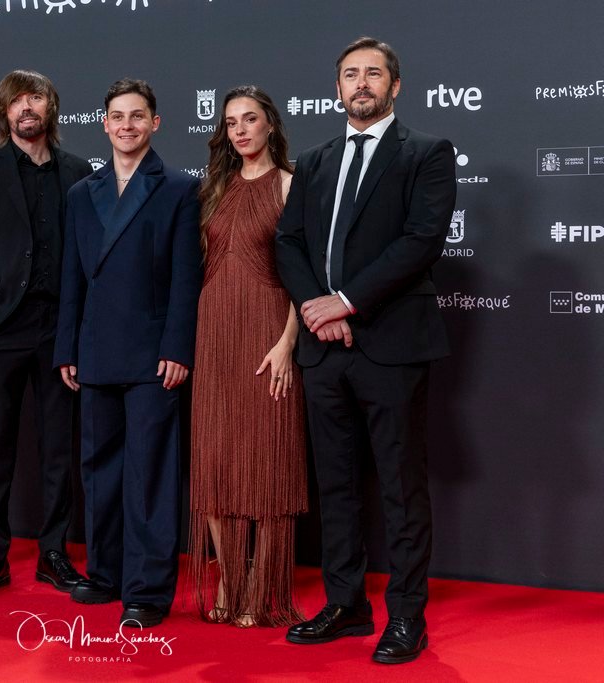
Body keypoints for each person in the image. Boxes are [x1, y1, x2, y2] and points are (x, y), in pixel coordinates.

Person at [275, 37, 456, 664]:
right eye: (350, 74)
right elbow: (288, 242)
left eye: (373, 74)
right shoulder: (315, 160)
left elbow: (421, 240)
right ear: (337, 88)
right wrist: (315, 308)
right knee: (337, 485)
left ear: (394, 86)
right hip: (325, 350)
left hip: (392, 345)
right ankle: (346, 603)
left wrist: (346, 302)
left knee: (402, 488)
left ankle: (407, 616)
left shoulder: (426, 153)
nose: (361, 84)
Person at [54, 79, 202, 627]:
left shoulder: (179, 188)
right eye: (117, 116)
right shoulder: (82, 193)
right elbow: (73, 277)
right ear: (104, 124)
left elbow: (187, 279)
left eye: (137, 116)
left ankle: (147, 590)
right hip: (94, 350)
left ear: (155, 123)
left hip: (153, 356)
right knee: (100, 471)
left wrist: (177, 347)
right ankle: (106, 573)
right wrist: (67, 346)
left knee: (149, 475)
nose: (127, 125)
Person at [0, 69, 92, 598]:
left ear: (51, 107)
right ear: (3, 112)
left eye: (36, 98)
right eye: (16, 100)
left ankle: (53, 553)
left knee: (58, 449)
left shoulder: (79, 173)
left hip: (58, 330)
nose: (26, 107)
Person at [188, 86, 307, 628]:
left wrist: (287, 342)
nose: (240, 130)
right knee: (215, 460)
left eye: (250, 119)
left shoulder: (290, 184)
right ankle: (230, 578)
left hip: (268, 333)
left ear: (270, 125)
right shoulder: (214, 188)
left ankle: (263, 586)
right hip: (214, 333)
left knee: (268, 458)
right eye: (231, 122)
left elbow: (306, 274)